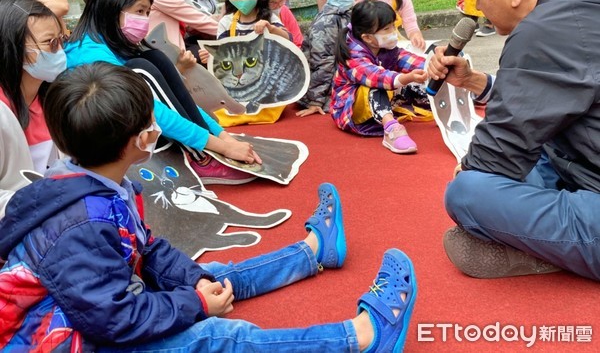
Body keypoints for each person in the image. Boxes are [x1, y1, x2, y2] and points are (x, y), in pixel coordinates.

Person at [0, 61, 418, 352]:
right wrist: (198, 306)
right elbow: (113, 319)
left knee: (210, 276)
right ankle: (361, 338)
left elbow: (145, 250)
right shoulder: (82, 225)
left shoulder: (95, 183)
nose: (156, 127)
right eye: (151, 121)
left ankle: (313, 252)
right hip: (70, 339)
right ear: (138, 143)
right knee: (219, 337)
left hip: (91, 309)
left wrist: (195, 283)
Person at [434, 0, 600, 280]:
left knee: (467, 193)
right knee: (539, 150)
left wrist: (469, 166)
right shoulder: (584, 0)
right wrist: (477, 82)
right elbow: (570, 94)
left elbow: (495, 159)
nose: (474, 6)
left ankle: (553, 250)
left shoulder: (542, 31)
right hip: (588, 163)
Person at [65, 0, 260, 185]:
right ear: (110, 7)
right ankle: (198, 157)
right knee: (141, 68)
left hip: (128, 129)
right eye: (139, 11)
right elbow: (153, 110)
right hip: (105, 143)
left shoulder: (115, 43)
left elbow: (178, 100)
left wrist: (222, 136)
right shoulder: (89, 54)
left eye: (147, 12)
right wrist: (221, 147)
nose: (144, 20)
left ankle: (202, 151)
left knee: (154, 57)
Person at [331, 0, 427, 154]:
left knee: (422, 87)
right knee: (376, 85)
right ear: (368, 37)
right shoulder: (352, 56)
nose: (393, 32)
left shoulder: (383, 46)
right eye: (387, 29)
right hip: (351, 109)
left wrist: (432, 65)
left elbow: (405, 59)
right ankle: (391, 129)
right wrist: (407, 78)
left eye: (393, 26)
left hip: (381, 97)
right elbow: (376, 76)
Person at [0, 0, 64, 216]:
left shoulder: (52, 97)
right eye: (50, 43)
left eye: (60, 40)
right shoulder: (2, 114)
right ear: (13, 48)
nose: (60, 50)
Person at [297, 0, 359, 118]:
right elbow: (322, 62)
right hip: (321, 90)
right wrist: (315, 101)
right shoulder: (327, 22)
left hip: (338, 79)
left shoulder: (350, 15)